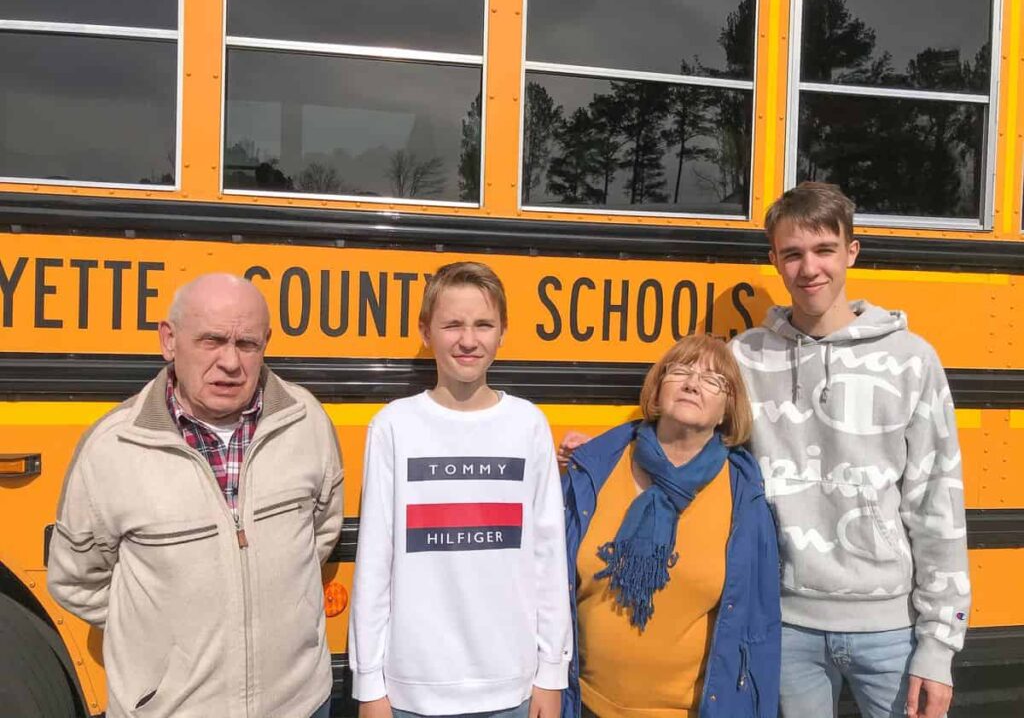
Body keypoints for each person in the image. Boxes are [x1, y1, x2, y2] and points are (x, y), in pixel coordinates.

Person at [47, 273, 344, 718]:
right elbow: (76, 579)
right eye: (212, 341)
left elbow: (321, 530)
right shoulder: (113, 448)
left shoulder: (306, 422)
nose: (230, 362)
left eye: (247, 344)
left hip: (300, 704)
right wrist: (162, 640)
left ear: (266, 343)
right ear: (169, 340)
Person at [729, 182, 970, 718]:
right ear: (774, 260)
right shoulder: (744, 358)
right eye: (792, 253)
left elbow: (937, 501)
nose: (809, 268)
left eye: (824, 250)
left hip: (890, 630)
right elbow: (691, 437)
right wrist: (603, 453)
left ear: (851, 252)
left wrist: (938, 646)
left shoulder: (911, 360)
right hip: (783, 624)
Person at [349, 261, 571, 718]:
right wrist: (368, 684)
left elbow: (549, 556)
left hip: (512, 688)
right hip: (413, 691)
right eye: (453, 325)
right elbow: (374, 561)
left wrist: (551, 672)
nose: (468, 340)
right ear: (425, 331)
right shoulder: (394, 426)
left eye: (483, 325)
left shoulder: (528, 424)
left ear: (503, 332)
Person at [561, 334, 780, 718]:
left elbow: (759, 626)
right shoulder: (594, 471)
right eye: (680, 371)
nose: (693, 384)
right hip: (584, 705)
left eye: (713, 380)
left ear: (727, 410)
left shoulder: (745, 496)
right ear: (658, 388)